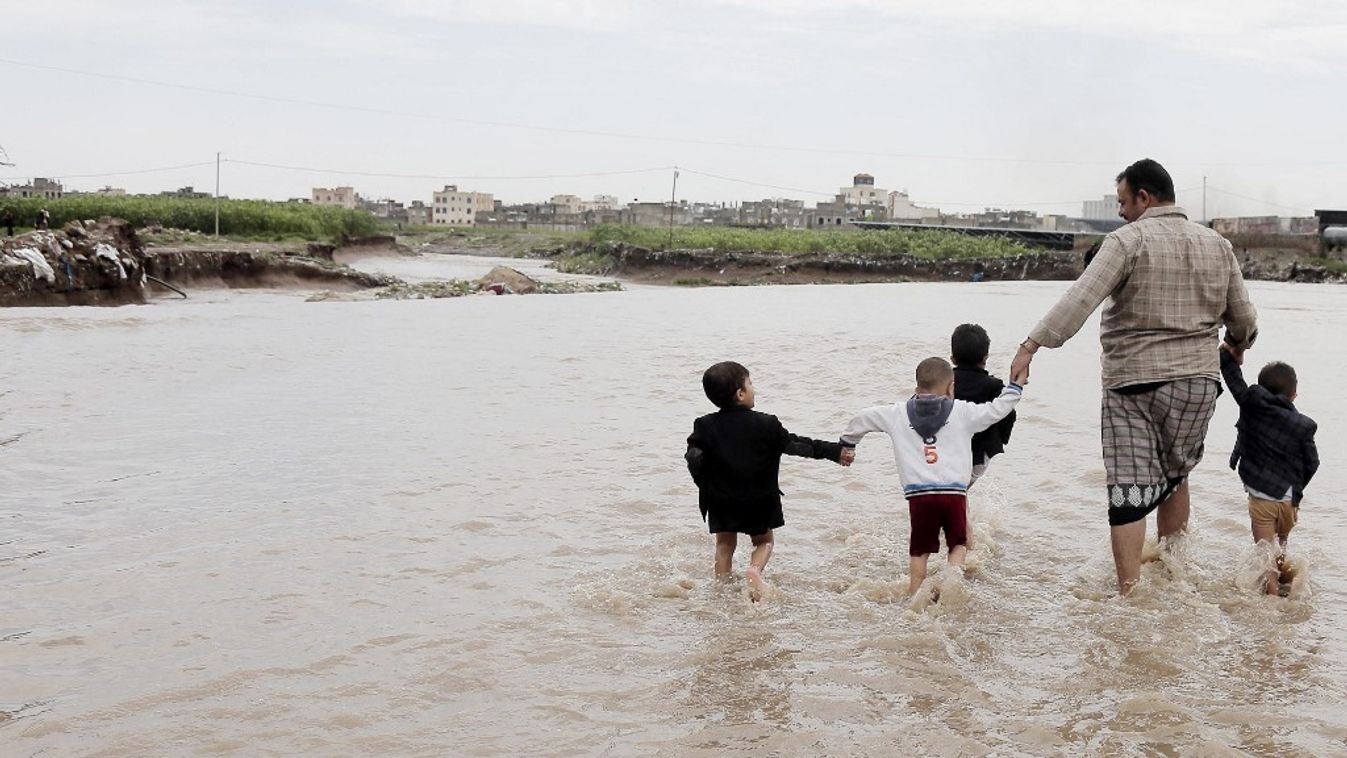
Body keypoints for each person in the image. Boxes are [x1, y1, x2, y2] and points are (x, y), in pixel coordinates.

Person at [1009, 158, 1258, 595]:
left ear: (1145, 197)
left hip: (1133, 384)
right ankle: (1173, 577)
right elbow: (1243, 319)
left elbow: (1080, 299)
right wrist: (1238, 343)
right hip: (1199, 386)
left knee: (1128, 486)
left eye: (1124, 202)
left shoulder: (1127, 241)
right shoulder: (1218, 245)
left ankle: (1130, 594)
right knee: (1175, 476)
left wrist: (1031, 346)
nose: (1121, 211)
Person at [840, 357, 1024, 596]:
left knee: (919, 551)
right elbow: (996, 410)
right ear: (951, 388)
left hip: (919, 498)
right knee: (957, 545)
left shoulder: (895, 413)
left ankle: (915, 594)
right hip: (954, 495)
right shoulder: (962, 412)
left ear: (916, 388)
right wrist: (1015, 387)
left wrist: (848, 444)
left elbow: (863, 418)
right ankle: (950, 587)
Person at [685, 361, 854, 601]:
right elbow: (797, 445)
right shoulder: (767, 424)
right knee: (764, 541)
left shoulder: (703, 426)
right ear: (740, 394)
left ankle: (721, 593)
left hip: (721, 499)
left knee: (724, 545)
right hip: (759, 499)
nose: (754, 389)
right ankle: (754, 570)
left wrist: (705, 484)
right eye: (750, 384)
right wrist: (835, 452)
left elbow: (693, 458)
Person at [1219, 345, 1318, 595]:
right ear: (1294, 395)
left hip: (1262, 498)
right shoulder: (1302, 426)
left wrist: (1227, 354)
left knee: (1264, 551)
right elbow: (1312, 462)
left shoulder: (1252, 403)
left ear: (1261, 388)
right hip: (1289, 500)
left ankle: (1272, 599)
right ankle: (1285, 585)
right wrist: (1296, 488)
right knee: (1280, 546)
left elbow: (1234, 380)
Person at [951, 323, 1016, 484]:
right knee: (961, 489)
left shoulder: (944, 382)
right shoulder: (993, 385)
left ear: (952, 359)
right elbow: (1009, 413)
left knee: (951, 489)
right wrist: (999, 440)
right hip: (979, 456)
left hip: (947, 451)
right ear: (985, 358)